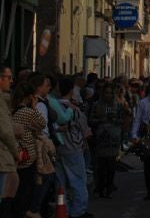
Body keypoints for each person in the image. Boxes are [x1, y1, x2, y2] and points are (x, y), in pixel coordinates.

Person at [56, 77, 91, 218]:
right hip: (74, 149)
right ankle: (78, 211)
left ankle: (63, 209)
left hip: (58, 148)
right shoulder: (74, 109)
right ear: (71, 90)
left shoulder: (53, 106)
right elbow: (85, 130)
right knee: (78, 181)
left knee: (60, 183)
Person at [89, 83, 128, 199]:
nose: (108, 95)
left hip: (113, 138)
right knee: (101, 166)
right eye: (106, 93)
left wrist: (115, 120)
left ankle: (109, 187)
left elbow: (123, 120)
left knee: (111, 166)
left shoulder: (118, 106)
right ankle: (100, 187)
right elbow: (91, 120)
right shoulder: (97, 105)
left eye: (110, 93)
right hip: (101, 138)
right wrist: (102, 119)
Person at [12, 83, 42, 218]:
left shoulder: (11, 110)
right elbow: (42, 122)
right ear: (30, 97)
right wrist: (35, 107)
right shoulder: (28, 112)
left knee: (15, 189)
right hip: (27, 155)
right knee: (26, 188)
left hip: (14, 153)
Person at [0, 65, 19, 218]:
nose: (11, 81)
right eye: (8, 77)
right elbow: (5, 131)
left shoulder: (4, 99)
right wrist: (16, 151)